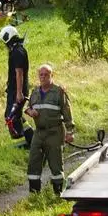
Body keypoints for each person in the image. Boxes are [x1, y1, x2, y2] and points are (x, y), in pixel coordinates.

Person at [25, 64, 75, 195]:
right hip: (39, 132)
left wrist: (70, 132)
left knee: (55, 163)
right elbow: (27, 107)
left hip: (54, 132)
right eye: (40, 75)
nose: (43, 77)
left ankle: (58, 193)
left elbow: (67, 112)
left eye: (46, 74)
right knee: (33, 161)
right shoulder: (35, 92)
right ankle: (34, 194)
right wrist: (30, 111)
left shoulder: (59, 91)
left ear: (51, 76)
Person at [1, 25, 32, 148]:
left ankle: (23, 143)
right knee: (16, 116)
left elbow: (19, 73)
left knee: (11, 117)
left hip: (17, 91)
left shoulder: (17, 52)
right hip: (15, 90)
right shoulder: (18, 50)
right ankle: (31, 139)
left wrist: (19, 93)